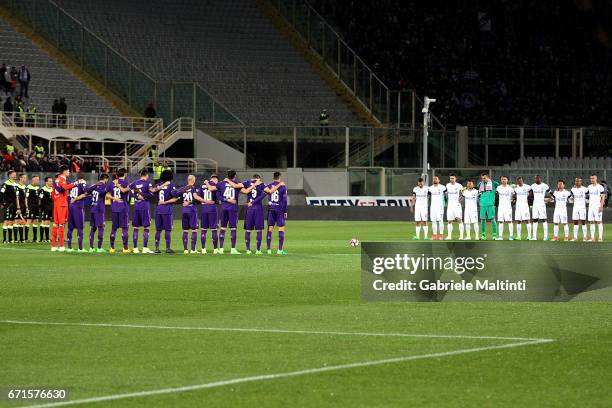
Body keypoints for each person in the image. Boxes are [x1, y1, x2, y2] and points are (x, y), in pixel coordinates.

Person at [209, 170, 247, 255]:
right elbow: (245, 192)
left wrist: (207, 183)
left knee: (223, 228)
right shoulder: (237, 184)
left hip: (224, 207)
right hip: (233, 208)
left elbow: (214, 192)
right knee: (233, 228)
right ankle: (233, 249)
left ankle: (221, 249)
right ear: (235, 176)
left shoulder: (221, 183)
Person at [51, 165, 76, 251]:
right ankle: (61, 246)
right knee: (61, 224)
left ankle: (53, 246)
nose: (69, 172)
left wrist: (56, 200)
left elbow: (53, 193)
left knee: (55, 224)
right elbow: (65, 187)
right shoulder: (62, 179)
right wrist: (75, 184)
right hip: (62, 203)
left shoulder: (56, 180)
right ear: (64, 171)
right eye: (68, 171)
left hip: (56, 203)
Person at [105, 168, 131, 253]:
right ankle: (125, 248)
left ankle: (112, 248)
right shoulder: (126, 183)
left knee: (114, 228)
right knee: (124, 228)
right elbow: (124, 190)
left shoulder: (111, 183)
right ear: (125, 174)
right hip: (123, 207)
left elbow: (107, 195)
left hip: (114, 208)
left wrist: (114, 199)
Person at [152, 169, 177, 253]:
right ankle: (167, 248)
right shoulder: (171, 185)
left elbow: (153, 192)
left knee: (158, 230)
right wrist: (166, 201)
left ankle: (156, 248)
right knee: (167, 230)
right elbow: (175, 198)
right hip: (167, 210)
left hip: (158, 209)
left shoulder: (158, 185)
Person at [243, 174, 269, 254]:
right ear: (259, 178)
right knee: (259, 230)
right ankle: (258, 250)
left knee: (248, 230)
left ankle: (248, 250)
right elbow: (266, 192)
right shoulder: (261, 184)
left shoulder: (247, 183)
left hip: (249, 209)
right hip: (258, 208)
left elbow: (240, 187)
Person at [129, 169, 153, 254]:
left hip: (136, 206)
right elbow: (151, 194)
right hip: (144, 206)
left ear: (140, 175)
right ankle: (145, 248)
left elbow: (128, 191)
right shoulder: (148, 183)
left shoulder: (135, 183)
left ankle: (135, 248)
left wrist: (136, 196)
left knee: (136, 227)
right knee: (146, 227)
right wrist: (144, 196)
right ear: (146, 175)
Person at [194, 174, 219, 254]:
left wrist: (204, 201)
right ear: (215, 179)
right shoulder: (216, 185)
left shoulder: (202, 185)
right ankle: (215, 249)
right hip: (212, 207)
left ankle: (203, 249)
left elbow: (197, 197)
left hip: (204, 208)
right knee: (214, 229)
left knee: (204, 230)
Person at [265, 171, 287, 255]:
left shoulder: (269, 185)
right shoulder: (282, 186)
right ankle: (280, 250)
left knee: (270, 228)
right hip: (279, 210)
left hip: (271, 209)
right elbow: (284, 200)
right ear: (279, 177)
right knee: (281, 228)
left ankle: (268, 250)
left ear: (273, 177)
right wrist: (285, 211)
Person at [87, 173, 109, 252]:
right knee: (101, 227)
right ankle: (99, 248)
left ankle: (91, 248)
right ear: (105, 179)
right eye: (107, 180)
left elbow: (86, 191)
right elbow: (104, 193)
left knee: (93, 228)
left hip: (93, 208)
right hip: (99, 209)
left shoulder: (94, 185)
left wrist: (94, 186)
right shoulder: (104, 186)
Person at [66, 173, 88, 252]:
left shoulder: (73, 183)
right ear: (83, 178)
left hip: (71, 206)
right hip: (78, 207)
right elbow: (85, 193)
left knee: (70, 228)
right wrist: (76, 199)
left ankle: (69, 248)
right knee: (80, 227)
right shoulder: (83, 183)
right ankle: (80, 248)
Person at [178, 175, 199, 254]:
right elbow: (195, 198)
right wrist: (189, 202)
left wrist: (182, 202)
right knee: (194, 229)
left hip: (184, 210)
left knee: (185, 230)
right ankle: (193, 250)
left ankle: (185, 250)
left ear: (188, 180)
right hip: (192, 209)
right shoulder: (193, 188)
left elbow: (176, 195)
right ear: (194, 180)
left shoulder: (183, 189)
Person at [477, 172, 499, 240]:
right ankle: (483, 235)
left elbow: (499, 186)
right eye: (482, 178)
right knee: (482, 220)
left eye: (484, 178)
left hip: (490, 204)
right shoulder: (480, 184)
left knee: (492, 219)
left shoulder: (494, 183)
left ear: (488, 177)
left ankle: (494, 235)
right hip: (482, 204)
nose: (483, 179)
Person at [530, 175, 550, 241]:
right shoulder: (532, 186)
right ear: (534, 179)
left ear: (540, 178)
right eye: (536, 178)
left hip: (542, 205)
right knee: (535, 220)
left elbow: (551, 193)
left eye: (538, 178)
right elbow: (531, 194)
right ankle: (534, 237)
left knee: (543, 220)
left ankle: (545, 236)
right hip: (535, 205)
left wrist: (549, 199)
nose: (537, 179)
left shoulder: (545, 186)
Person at [587, 174, 606, 242]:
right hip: (591, 207)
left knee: (599, 221)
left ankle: (600, 237)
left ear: (596, 178)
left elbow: (603, 197)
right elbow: (586, 195)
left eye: (593, 178)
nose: (592, 180)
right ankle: (592, 237)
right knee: (591, 222)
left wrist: (601, 206)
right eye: (591, 178)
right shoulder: (589, 187)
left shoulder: (600, 187)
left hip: (597, 206)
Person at [1, 170, 18, 243]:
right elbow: (1, 193)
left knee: (12, 221)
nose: (15, 176)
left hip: (14, 205)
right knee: (6, 221)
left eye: (15, 174)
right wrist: (2, 203)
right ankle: (5, 239)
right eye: (13, 174)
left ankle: (10, 239)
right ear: (9, 175)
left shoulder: (15, 184)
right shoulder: (5, 184)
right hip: (8, 204)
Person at [495, 175, 514, 240]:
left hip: (508, 207)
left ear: (507, 180)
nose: (503, 180)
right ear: (501, 180)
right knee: (500, 221)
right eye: (502, 179)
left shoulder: (510, 188)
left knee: (509, 221)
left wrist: (511, 201)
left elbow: (513, 196)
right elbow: (496, 196)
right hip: (501, 207)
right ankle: (500, 236)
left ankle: (511, 236)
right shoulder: (498, 188)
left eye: (505, 179)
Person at [445, 174, 463, 240]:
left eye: (453, 178)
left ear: (455, 178)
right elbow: (446, 194)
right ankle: (449, 236)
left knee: (459, 220)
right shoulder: (447, 185)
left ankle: (461, 236)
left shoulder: (459, 185)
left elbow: (462, 194)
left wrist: (460, 200)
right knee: (449, 221)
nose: (451, 179)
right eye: (450, 178)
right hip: (450, 206)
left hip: (457, 205)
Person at [570, 177, 588, 241]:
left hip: (582, 207)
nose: (577, 182)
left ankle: (585, 237)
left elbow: (588, 196)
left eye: (578, 181)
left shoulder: (585, 189)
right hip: (575, 207)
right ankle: (575, 237)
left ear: (581, 182)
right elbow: (571, 196)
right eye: (576, 181)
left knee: (583, 222)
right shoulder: (573, 189)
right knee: (575, 222)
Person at [428, 175, 446, 240]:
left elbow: (446, 196)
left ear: (439, 180)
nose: (435, 180)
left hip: (440, 206)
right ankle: (434, 235)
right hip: (433, 207)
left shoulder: (443, 187)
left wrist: (445, 202)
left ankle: (441, 235)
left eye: (436, 179)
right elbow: (429, 197)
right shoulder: (430, 188)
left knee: (440, 220)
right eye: (434, 179)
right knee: (433, 221)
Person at [25, 175, 40, 242]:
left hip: (36, 207)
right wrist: (27, 206)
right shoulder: (28, 187)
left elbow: (39, 198)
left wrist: (39, 206)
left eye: (38, 180)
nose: (37, 181)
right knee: (29, 221)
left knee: (36, 221)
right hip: (30, 206)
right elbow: (26, 198)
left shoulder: (37, 187)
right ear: (32, 180)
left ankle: (34, 238)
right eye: (36, 180)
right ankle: (25, 238)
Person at [38, 177, 53, 242]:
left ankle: (47, 238)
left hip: (51, 208)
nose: (51, 182)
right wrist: (40, 207)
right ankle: (41, 238)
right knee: (43, 222)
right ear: (46, 182)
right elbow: (39, 199)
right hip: (44, 207)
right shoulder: (42, 190)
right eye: (50, 181)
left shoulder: (53, 189)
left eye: (51, 181)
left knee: (48, 222)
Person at [14, 173, 27, 243]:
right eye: (24, 178)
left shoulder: (25, 187)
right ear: (20, 178)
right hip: (18, 206)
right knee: (16, 222)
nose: (25, 179)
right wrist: (18, 207)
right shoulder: (17, 186)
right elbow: (17, 197)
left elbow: (25, 198)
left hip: (23, 206)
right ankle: (16, 239)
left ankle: (21, 239)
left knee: (21, 222)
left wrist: (26, 206)